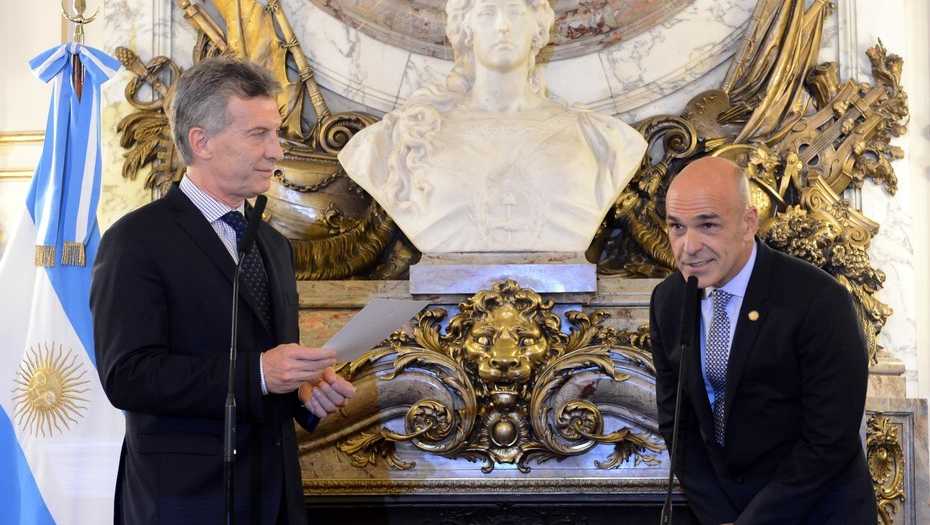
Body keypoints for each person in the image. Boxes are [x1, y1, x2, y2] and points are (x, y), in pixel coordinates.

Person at [91, 58, 355, 525]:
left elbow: (269, 364)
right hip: (184, 504)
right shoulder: (135, 241)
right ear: (202, 142)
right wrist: (258, 373)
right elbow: (128, 375)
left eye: (276, 133)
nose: (276, 151)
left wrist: (302, 391)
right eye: (259, 135)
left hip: (274, 500)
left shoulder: (272, 243)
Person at [649, 156, 877, 524]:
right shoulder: (668, 300)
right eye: (677, 226)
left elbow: (829, 440)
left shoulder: (819, 299)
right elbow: (677, 426)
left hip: (816, 511)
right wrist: (720, 517)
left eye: (707, 225)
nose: (688, 246)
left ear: (748, 223)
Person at [338, 0, 647, 253]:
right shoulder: (404, 137)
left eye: (514, 11)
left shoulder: (602, 139)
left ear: (538, 26)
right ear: (465, 28)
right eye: (487, 12)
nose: (503, 25)